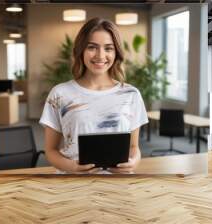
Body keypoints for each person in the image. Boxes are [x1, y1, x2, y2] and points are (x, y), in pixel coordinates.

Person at [39, 17, 148, 174]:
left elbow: (133, 147)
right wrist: (73, 168)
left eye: (108, 48)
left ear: (116, 52)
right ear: (81, 50)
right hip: (73, 186)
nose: (100, 55)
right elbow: (50, 150)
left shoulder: (131, 94)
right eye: (92, 47)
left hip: (117, 186)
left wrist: (133, 162)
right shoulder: (60, 94)